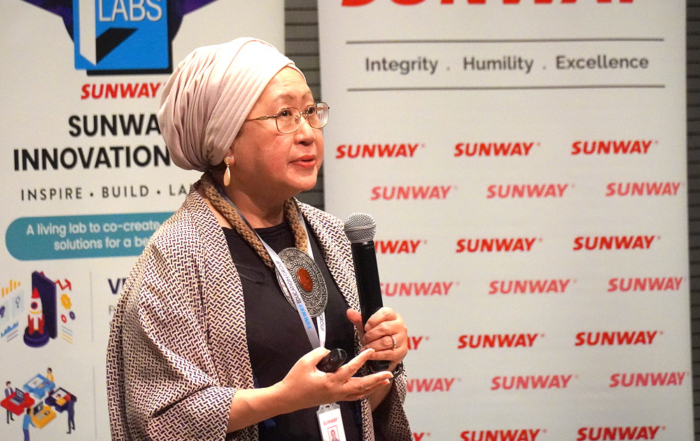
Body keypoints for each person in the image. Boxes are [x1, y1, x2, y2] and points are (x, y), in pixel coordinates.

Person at [107, 37, 411, 441]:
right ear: (226, 141)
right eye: (284, 114)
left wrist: (383, 362)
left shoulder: (332, 235)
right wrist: (281, 398)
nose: (307, 133)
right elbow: (160, 417)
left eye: (309, 110)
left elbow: (362, 408)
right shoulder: (176, 259)